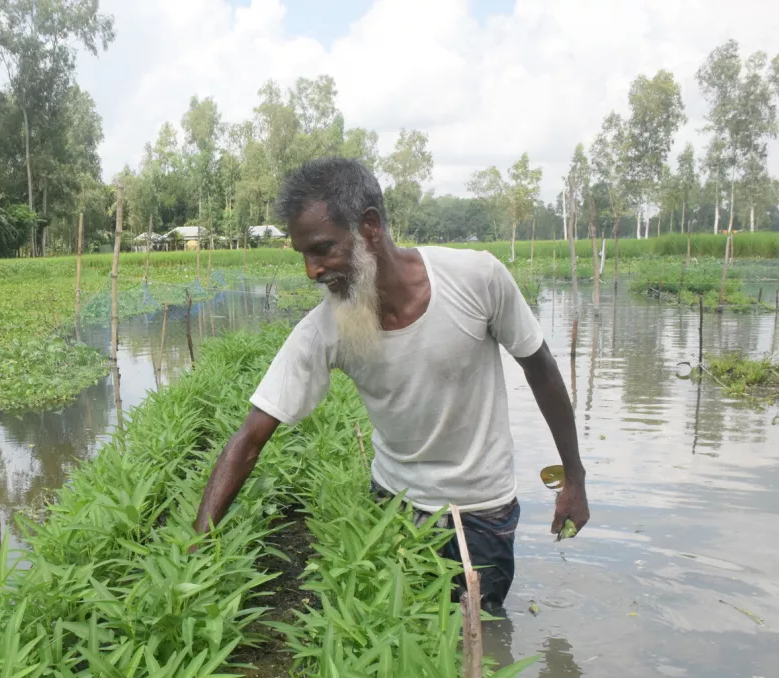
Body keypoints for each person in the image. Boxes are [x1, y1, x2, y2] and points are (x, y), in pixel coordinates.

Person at [193, 157, 589, 609]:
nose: (311, 271)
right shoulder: (325, 328)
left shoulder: (477, 279)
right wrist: (195, 551)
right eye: (303, 254)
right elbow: (249, 438)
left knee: (477, 647)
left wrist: (573, 477)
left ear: (370, 227)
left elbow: (540, 369)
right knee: (402, 646)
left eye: (322, 249)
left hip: (480, 513)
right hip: (392, 509)